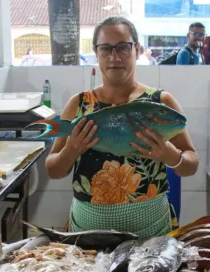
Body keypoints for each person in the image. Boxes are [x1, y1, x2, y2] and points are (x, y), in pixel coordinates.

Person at [45, 16, 199, 239]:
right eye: (106, 48)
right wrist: (71, 150)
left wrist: (171, 156)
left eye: (123, 47)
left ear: (137, 50)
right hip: (88, 234)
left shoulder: (160, 103)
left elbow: (191, 164)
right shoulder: (79, 105)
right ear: (96, 53)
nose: (114, 57)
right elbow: (53, 170)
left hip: (152, 232)